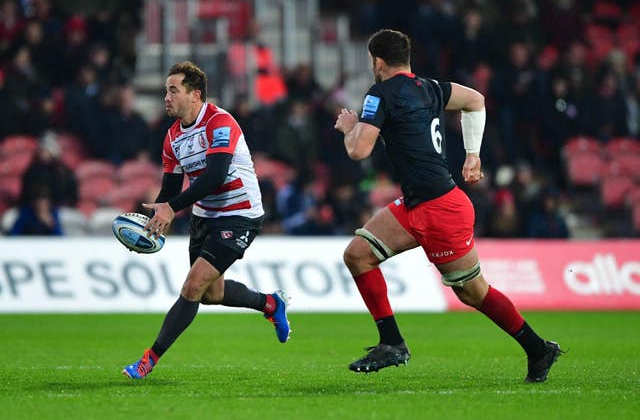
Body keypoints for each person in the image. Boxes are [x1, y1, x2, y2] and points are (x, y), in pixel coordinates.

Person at [334, 29, 562, 382]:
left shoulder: (379, 94)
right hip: (417, 203)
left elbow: (357, 150)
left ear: (377, 62)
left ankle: (538, 348)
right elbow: (476, 99)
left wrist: (350, 127)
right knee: (358, 254)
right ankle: (392, 342)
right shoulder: (431, 88)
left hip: (440, 208)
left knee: (473, 293)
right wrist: (473, 154)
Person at [122, 61, 291, 379]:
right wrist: (152, 222)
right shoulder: (172, 138)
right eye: (166, 91)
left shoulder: (219, 122)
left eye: (173, 90)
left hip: (239, 214)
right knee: (211, 294)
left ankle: (148, 360)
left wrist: (172, 207)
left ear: (195, 94)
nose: (166, 97)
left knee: (192, 286)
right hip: (205, 216)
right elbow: (170, 189)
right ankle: (270, 304)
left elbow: (214, 176)